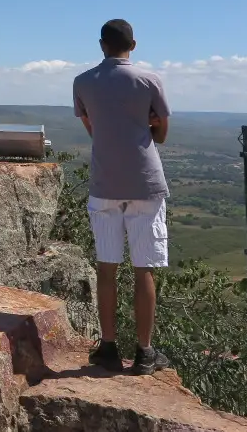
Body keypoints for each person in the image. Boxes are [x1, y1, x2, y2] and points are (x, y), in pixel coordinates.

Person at [72, 19, 172, 375]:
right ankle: (145, 352)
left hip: (105, 184)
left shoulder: (82, 82)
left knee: (107, 267)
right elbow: (161, 134)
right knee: (143, 270)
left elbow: (93, 130)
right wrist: (142, 126)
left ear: (102, 45)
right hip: (145, 183)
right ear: (134, 43)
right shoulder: (149, 80)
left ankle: (109, 347)